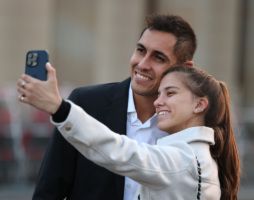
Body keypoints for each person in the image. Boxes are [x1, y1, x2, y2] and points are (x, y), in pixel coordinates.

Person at [23, 14, 197, 200]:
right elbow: (48, 191)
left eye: (159, 58)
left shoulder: (190, 126)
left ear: (184, 68)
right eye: (140, 50)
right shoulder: (86, 104)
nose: (143, 64)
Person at [17, 65, 240, 199]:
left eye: (170, 93)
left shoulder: (184, 160)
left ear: (200, 105)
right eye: (159, 94)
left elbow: (120, 151)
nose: (158, 102)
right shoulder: (196, 156)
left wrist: (60, 108)